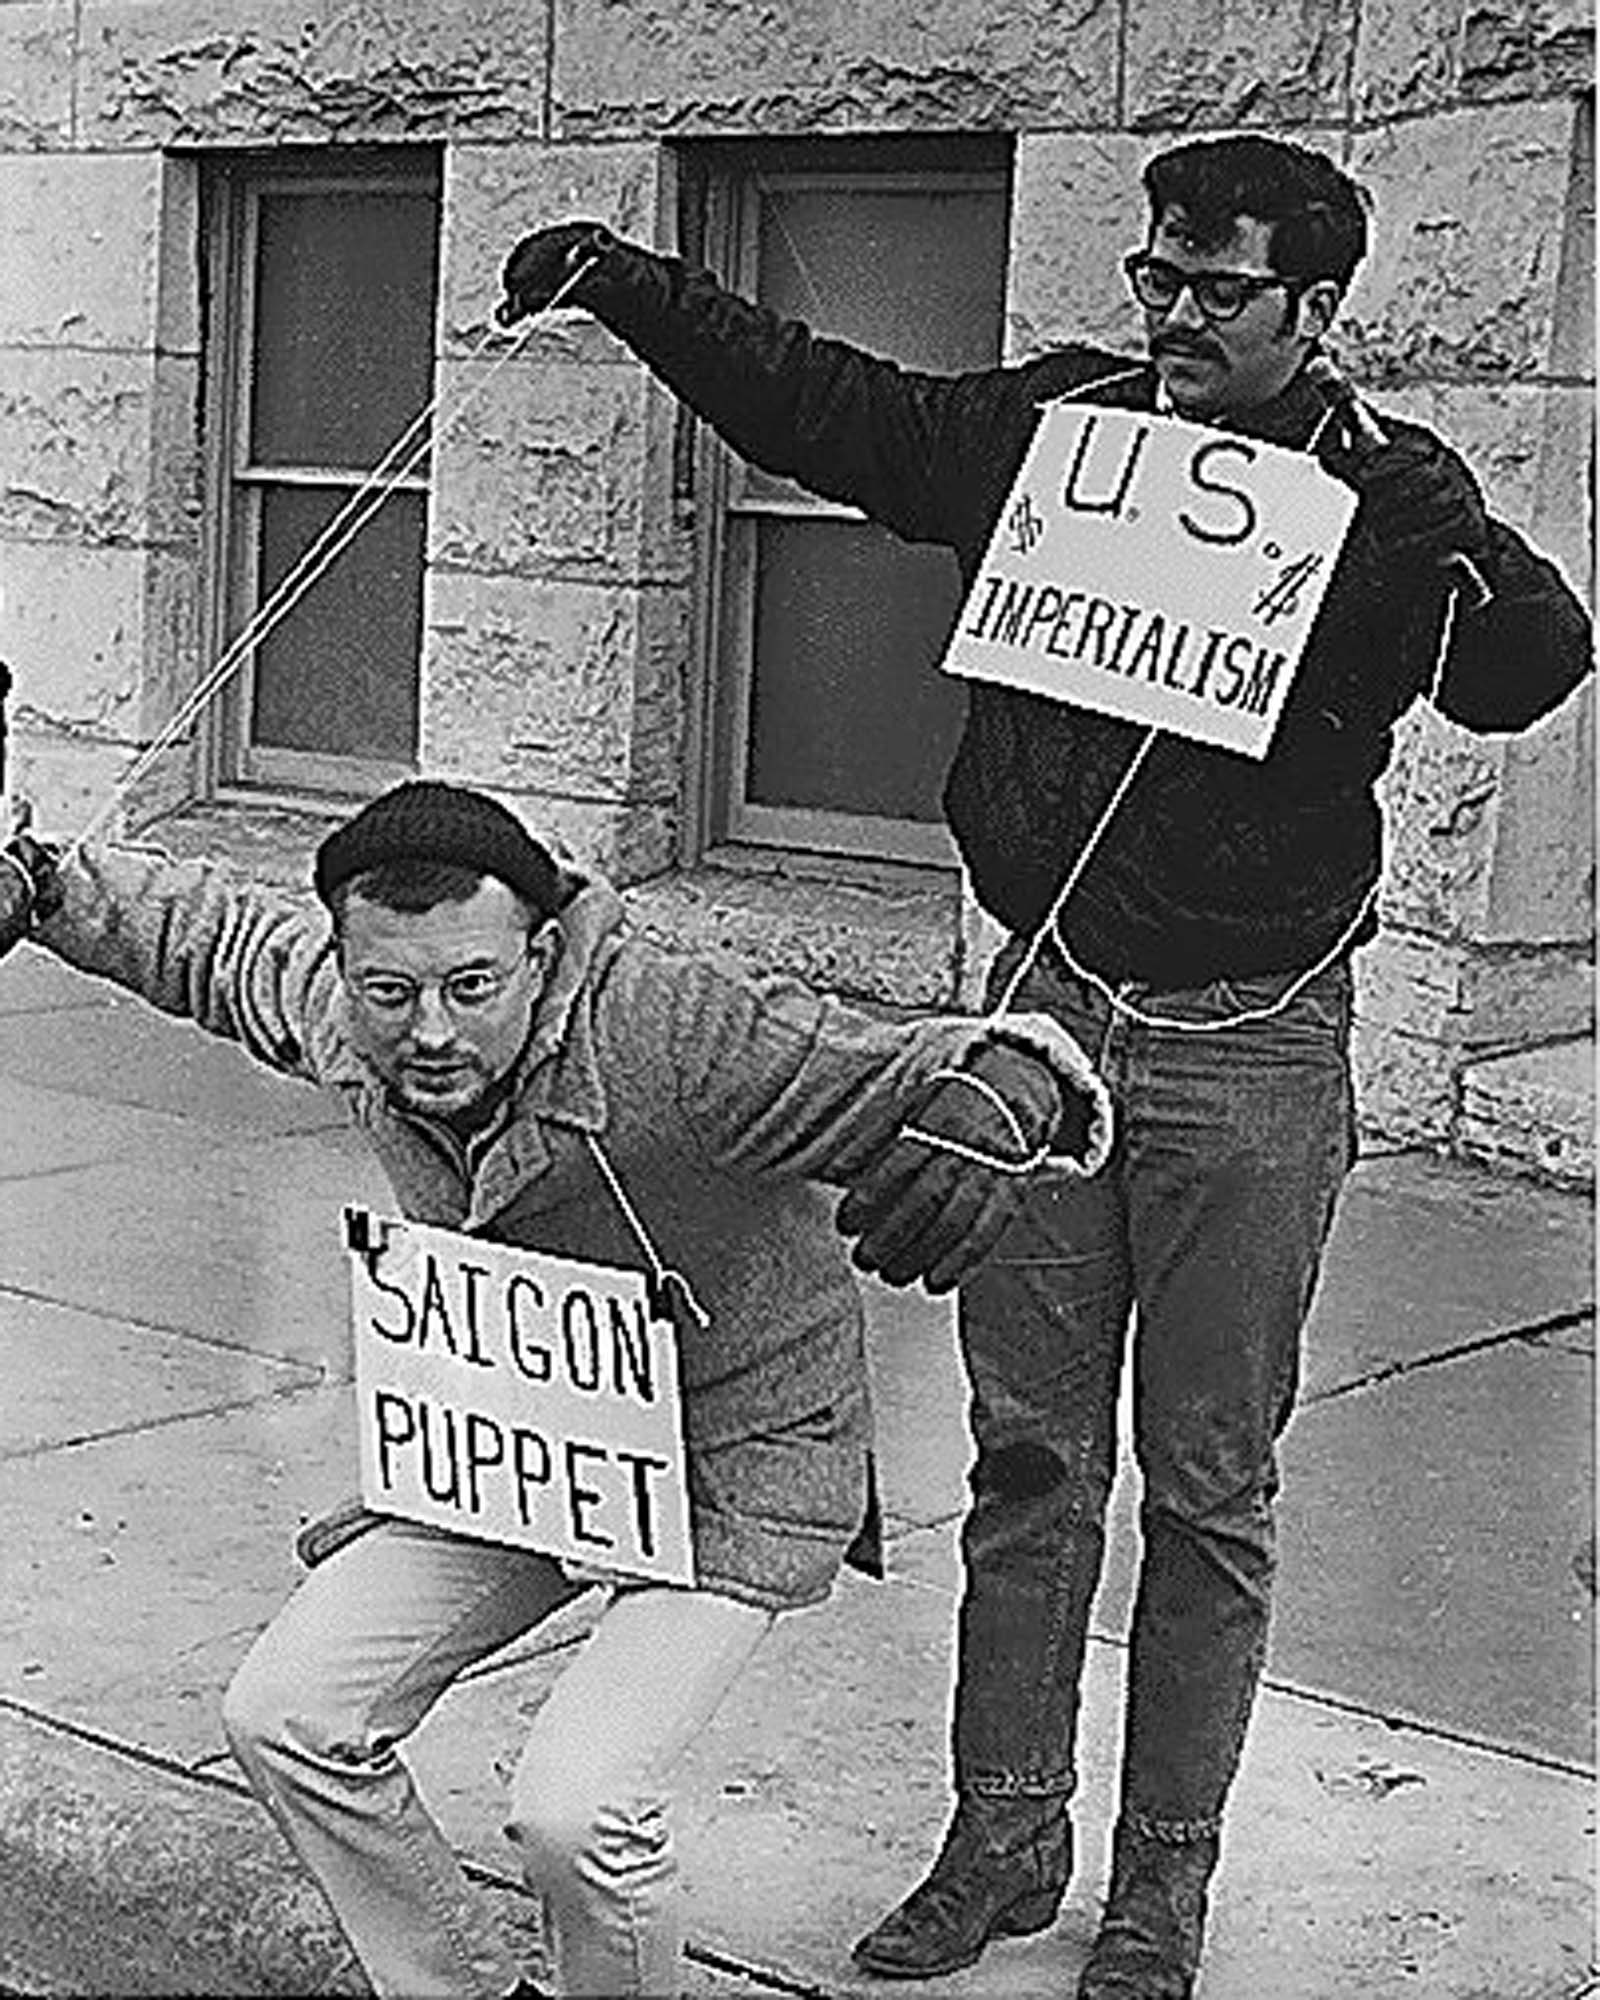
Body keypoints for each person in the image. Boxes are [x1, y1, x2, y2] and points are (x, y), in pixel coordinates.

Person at [496, 131, 1594, 1998]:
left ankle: (1163, 1884)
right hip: (1042, 1014)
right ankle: (1002, 1838)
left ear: (1316, 307)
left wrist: (1458, 555)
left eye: (1216, 290)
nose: (1169, 317)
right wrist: (640, 287)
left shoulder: (1379, 495)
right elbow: (843, 416)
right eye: (1155, 277)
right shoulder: (1066, 431)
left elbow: (1522, 668)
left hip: (1252, 1051)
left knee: (1211, 1482)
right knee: (1024, 1456)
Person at [0, 776, 1110, 1998]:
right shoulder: (346, 1009)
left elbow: (911, 1063)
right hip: (513, 1443)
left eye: (472, 987)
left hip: (724, 1459)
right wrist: (46, 882)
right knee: (289, 1710)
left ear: (539, 954)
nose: (431, 1030)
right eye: (392, 990)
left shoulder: (676, 1030)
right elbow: (210, 940)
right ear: (349, 969)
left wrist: (1007, 1093)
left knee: (575, 1812)